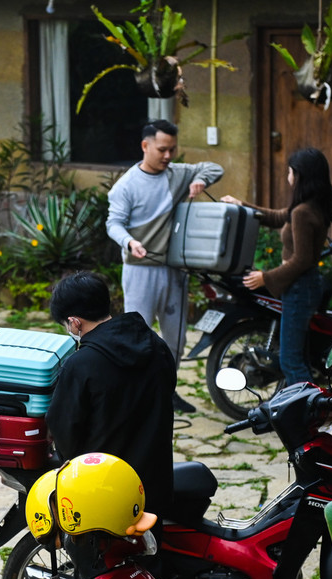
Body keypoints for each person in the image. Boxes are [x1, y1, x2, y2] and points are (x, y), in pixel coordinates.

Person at [106, 118, 224, 415]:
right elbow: (113, 223)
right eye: (162, 149)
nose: (168, 156)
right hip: (140, 268)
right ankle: (137, 396)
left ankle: (167, 392)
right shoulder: (126, 185)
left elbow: (214, 168)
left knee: (176, 337)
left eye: (172, 149)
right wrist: (130, 242)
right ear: (145, 146)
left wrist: (201, 181)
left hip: (174, 270)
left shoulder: (177, 174)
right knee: (138, 336)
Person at [45, 271, 175, 530]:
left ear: (74, 323)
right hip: (154, 489)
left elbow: (64, 432)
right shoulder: (158, 347)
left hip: (103, 491)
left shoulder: (80, 365)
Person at [220, 147, 332, 386]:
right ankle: (309, 408)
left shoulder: (303, 211)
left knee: (291, 361)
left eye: (290, 171)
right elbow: (275, 216)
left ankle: (306, 413)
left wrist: (266, 277)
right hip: (305, 286)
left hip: (299, 288)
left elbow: (302, 259)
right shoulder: (311, 205)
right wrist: (242, 205)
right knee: (298, 356)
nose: (288, 176)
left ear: (300, 175)